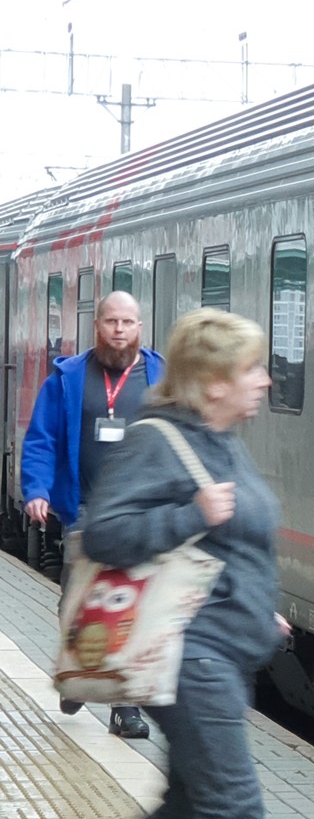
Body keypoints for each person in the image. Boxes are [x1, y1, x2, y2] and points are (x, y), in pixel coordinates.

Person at [23, 308, 314, 819]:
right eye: (251, 368)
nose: (265, 379)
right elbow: (105, 532)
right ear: (213, 381)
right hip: (191, 658)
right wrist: (189, 513)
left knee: (186, 808)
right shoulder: (160, 443)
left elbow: (233, 547)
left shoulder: (220, 442)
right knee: (236, 810)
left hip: (222, 646)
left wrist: (261, 611)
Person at [21, 290, 164, 739]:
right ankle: (76, 673)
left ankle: (125, 707)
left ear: (140, 327)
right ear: (96, 325)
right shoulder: (67, 379)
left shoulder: (161, 378)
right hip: (84, 507)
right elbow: (42, 439)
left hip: (140, 510)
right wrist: (37, 490)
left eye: (128, 323)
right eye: (111, 322)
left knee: (132, 606)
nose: (119, 331)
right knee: (77, 599)